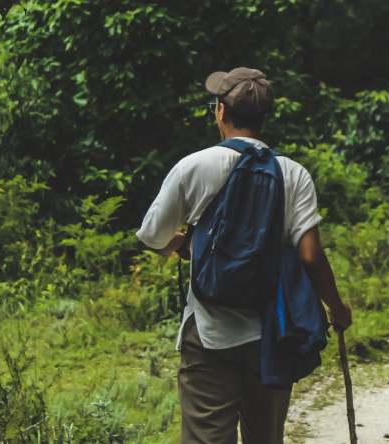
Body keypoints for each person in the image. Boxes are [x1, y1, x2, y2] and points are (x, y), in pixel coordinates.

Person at [135, 67, 352, 444]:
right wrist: (336, 306)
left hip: (208, 332)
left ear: (220, 111)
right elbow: (311, 254)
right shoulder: (292, 173)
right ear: (266, 117)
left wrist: (182, 245)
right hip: (271, 334)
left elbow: (152, 237)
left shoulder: (193, 166)